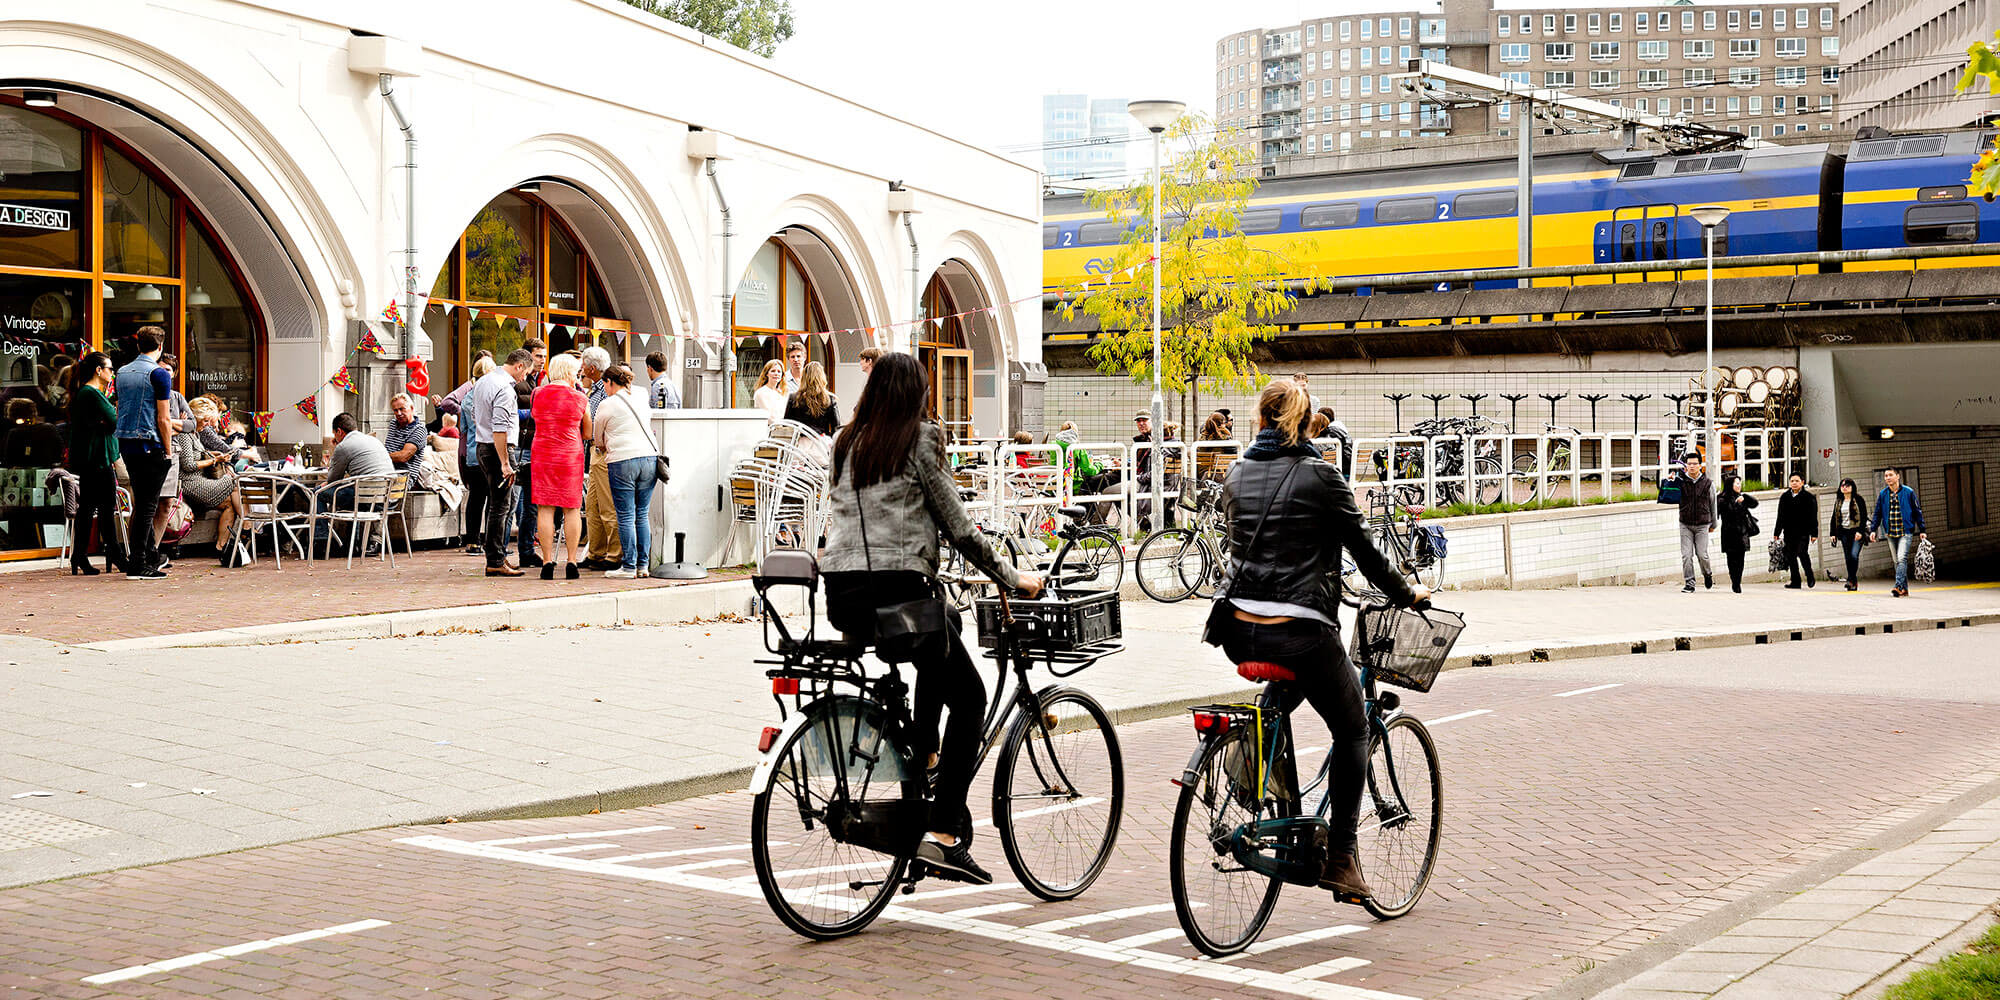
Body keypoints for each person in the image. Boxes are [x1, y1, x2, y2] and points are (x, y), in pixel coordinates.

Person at [820, 353, 1044, 885]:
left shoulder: (847, 442)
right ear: (916, 394)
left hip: (844, 593)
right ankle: (943, 831)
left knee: (946, 627)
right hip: (900, 594)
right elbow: (960, 529)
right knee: (969, 696)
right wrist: (1013, 577)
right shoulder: (920, 439)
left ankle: (925, 751)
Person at [1203, 377, 1427, 901]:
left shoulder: (1236, 473)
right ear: (1307, 426)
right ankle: (1343, 860)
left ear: (1260, 420)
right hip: (1299, 630)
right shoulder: (1322, 477)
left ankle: (1251, 774)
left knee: (1289, 691)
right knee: (1352, 729)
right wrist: (1406, 591)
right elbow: (1366, 554)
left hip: (1238, 629)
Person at [113, 327, 176, 580]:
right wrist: (169, 451)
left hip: (126, 443)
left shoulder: (122, 372)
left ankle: (149, 555)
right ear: (160, 347)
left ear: (138, 345)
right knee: (147, 506)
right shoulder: (159, 374)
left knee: (142, 502)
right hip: (150, 444)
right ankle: (138, 563)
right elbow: (164, 418)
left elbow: (120, 405)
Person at [63, 352, 126, 575]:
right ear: (98, 371)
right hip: (97, 459)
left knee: (88, 509)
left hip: (91, 458)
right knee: (106, 508)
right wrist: (107, 423)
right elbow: (115, 420)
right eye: (110, 368)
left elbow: (105, 422)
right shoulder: (92, 394)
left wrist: (105, 423)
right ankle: (115, 554)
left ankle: (79, 555)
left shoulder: (86, 393)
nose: (113, 373)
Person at [530, 353, 591, 580]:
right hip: (569, 455)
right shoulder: (579, 398)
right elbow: (587, 432)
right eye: (576, 372)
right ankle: (572, 561)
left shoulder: (537, 394)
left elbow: (537, 418)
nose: (578, 376)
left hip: (543, 453)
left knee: (545, 508)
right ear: (568, 372)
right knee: (572, 508)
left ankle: (547, 562)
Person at [595, 364, 657, 579]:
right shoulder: (641, 393)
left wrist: (603, 445)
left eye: (605, 384)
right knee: (642, 514)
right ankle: (643, 565)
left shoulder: (606, 404)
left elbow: (597, 438)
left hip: (622, 461)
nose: (605, 388)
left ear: (610, 382)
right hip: (649, 457)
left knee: (625, 515)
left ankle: (628, 566)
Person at [473, 349, 531, 576]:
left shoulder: (484, 380)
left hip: (482, 445)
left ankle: (497, 557)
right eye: (525, 372)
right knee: (501, 506)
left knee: (498, 505)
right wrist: (505, 462)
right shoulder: (505, 389)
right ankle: (496, 559)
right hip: (498, 448)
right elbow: (500, 428)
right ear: (518, 366)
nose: (524, 378)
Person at [172, 403, 246, 565]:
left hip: (200, 481)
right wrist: (215, 460)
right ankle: (247, 523)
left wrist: (213, 454)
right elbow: (189, 465)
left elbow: (197, 455)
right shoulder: (185, 435)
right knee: (234, 481)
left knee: (229, 505)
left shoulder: (194, 433)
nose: (208, 425)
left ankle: (221, 548)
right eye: (205, 421)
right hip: (190, 483)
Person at [314, 412, 393, 554]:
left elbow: (333, 479)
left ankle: (321, 542)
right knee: (352, 492)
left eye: (335, 434)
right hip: (386, 497)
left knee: (318, 494)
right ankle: (352, 543)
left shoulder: (343, 446)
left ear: (339, 431)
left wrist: (335, 449)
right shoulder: (374, 440)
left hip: (364, 498)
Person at [442, 357, 495, 556]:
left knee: (475, 499)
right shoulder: (493, 394)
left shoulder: (467, 398)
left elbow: (462, 428)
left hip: (473, 453)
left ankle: (472, 541)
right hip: (491, 452)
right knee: (494, 501)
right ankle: (492, 541)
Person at [580, 347, 623, 572]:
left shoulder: (606, 390)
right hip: (594, 452)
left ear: (592, 368)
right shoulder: (595, 390)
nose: (581, 369)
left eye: (583, 365)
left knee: (607, 506)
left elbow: (601, 423)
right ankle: (596, 552)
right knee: (593, 505)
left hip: (604, 452)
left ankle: (614, 554)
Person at [511, 338, 549, 568]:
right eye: (538, 356)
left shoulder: (540, 381)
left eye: (544, 356)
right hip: (519, 447)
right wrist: (537, 413)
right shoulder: (518, 382)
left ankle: (526, 550)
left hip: (535, 446)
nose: (542, 360)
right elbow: (510, 413)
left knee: (531, 504)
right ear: (526, 357)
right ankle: (501, 551)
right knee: (513, 502)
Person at [1870, 468, 1926, 598]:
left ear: (1897, 476)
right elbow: (1877, 513)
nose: (1888, 478)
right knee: (1897, 561)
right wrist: (1873, 530)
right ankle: (1904, 589)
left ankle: (1898, 586)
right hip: (1890, 532)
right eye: (1886, 476)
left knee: (1901, 558)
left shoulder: (1908, 492)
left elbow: (1917, 511)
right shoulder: (1883, 494)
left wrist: (1922, 529)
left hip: (1905, 531)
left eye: (1890, 475)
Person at [1667, 452, 1714, 593]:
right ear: (1685, 466)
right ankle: (1689, 583)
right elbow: (1665, 493)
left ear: (1700, 465)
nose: (1692, 466)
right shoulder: (1680, 481)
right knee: (1686, 555)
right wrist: (1670, 481)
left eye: (1695, 464)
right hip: (1685, 524)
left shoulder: (1707, 483)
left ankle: (1707, 574)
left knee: (1702, 554)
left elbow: (1713, 504)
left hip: (1702, 524)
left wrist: (1713, 524)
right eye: (1689, 464)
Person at [1716, 473, 1761, 593]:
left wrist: (1745, 497)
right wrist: (1736, 503)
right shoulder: (1722, 498)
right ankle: (1734, 581)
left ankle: (1737, 583)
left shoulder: (1742, 496)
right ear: (1730, 484)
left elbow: (1755, 504)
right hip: (1729, 533)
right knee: (1731, 559)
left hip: (1742, 532)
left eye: (1739, 483)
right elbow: (1724, 513)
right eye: (1737, 483)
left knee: (1741, 559)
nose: (1739, 485)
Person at [1774, 473, 1819, 589]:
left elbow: (1813, 517)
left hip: (1803, 532)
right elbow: (1780, 515)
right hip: (1789, 532)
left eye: (1797, 481)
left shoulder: (1809, 498)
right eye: (1792, 481)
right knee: (1790, 556)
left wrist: (1814, 533)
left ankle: (1809, 576)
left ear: (1802, 482)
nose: (1794, 483)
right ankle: (1795, 581)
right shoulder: (1785, 497)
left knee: (1802, 553)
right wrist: (1777, 532)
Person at [1827, 477, 1869, 591]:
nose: (1844, 488)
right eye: (1842, 486)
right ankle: (1852, 581)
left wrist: (1860, 531)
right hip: (1844, 532)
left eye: (1847, 485)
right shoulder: (1839, 501)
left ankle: (1851, 579)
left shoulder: (1858, 499)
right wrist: (1833, 533)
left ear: (1852, 487)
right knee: (1848, 557)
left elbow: (1864, 516)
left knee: (1854, 555)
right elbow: (1834, 518)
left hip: (1856, 532)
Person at [783, 361, 841, 439]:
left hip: (799, 445)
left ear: (804, 377)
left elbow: (786, 424)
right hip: (821, 444)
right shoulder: (829, 399)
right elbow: (836, 427)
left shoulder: (793, 397)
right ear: (822, 377)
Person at [3, 397, 63, 467]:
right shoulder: (50, 428)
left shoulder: (14, 433)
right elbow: (59, 452)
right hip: (48, 470)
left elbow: (9, 459)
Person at [384, 393, 428, 481]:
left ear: (411, 408)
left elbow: (403, 456)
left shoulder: (419, 430)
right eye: (395, 410)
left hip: (403, 478)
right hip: (385, 471)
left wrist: (379, 456)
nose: (399, 413)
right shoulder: (393, 423)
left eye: (402, 409)